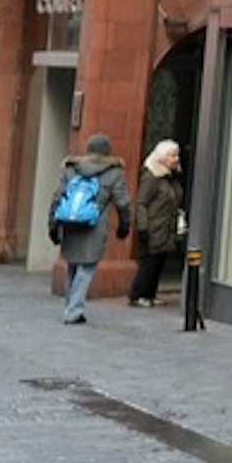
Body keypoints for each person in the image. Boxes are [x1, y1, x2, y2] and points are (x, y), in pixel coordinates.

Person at [46, 133, 128, 324]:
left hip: (70, 223)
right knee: (87, 267)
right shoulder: (114, 172)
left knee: (73, 265)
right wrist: (124, 225)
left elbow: (57, 198)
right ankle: (74, 310)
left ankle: (70, 306)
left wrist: (53, 226)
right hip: (95, 225)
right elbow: (123, 202)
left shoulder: (71, 169)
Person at [127, 140, 189, 310]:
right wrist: (143, 227)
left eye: (177, 155)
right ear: (162, 158)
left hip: (166, 227)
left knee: (159, 262)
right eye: (172, 155)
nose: (176, 159)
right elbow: (141, 203)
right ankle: (137, 295)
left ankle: (149, 295)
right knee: (149, 263)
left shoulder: (172, 178)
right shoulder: (152, 177)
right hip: (153, 227)